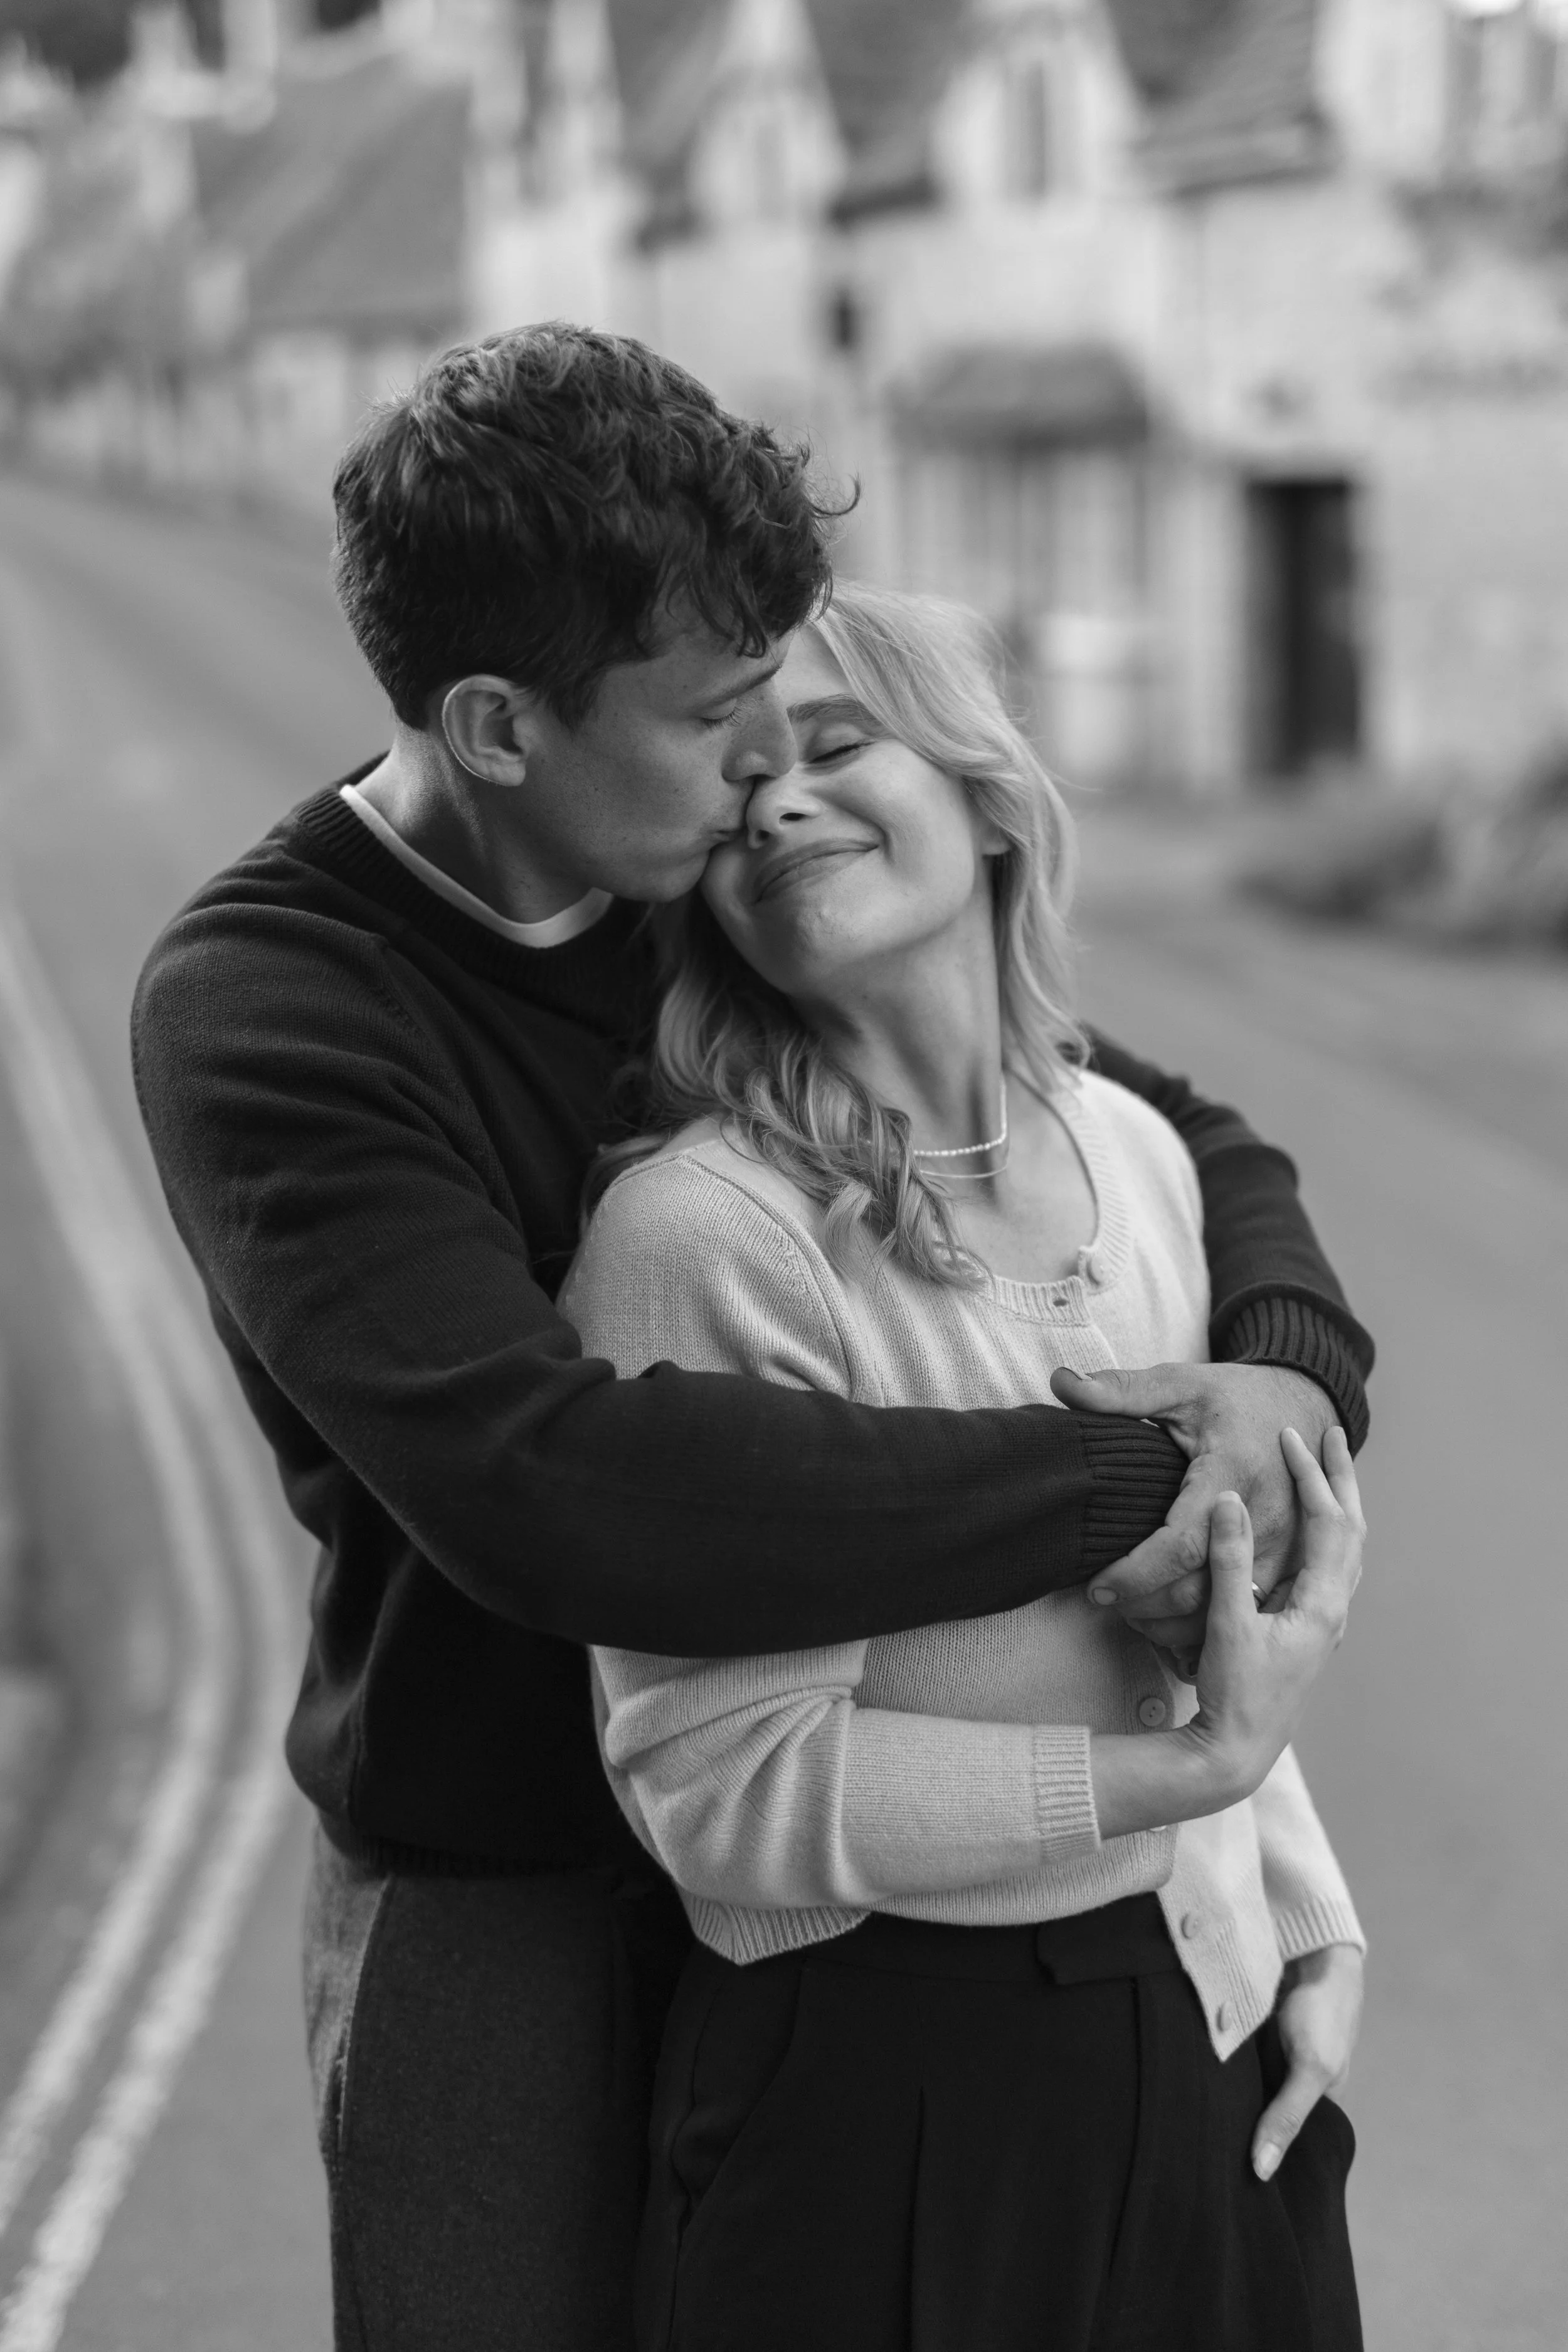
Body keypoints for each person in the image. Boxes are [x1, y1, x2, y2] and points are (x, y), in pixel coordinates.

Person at [129, 326, 1372, 2352]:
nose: (764, 767)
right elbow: (557, 1486)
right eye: (718, 715)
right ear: (498, 725)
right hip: (519, 1886)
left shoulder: (705, 882)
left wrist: (1282, 1392)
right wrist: (1137, 1469)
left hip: (897, 1934)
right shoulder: (275, 1009)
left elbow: (1141, 1125)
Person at [568, 582, 1367, 2352]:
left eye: (836, 744)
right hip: (885, 2099)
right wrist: (1183, 1778)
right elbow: (718, 1796)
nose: (775, 800)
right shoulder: (701, 1239)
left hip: (1218, 2038)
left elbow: (1226, 1622)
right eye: (735, 785)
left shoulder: (1139, 1153)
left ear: (989, 794)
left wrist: (1303, 1916)